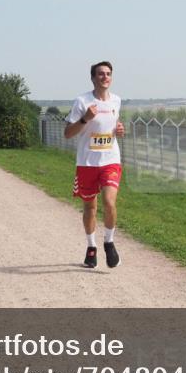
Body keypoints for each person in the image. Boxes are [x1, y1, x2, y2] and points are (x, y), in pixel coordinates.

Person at [63, 61, 126, 269]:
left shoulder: (116, 101)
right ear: (93, 78)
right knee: (90, 207)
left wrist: (118, 130)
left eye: (108, 74)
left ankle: (109, 242)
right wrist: (85, 119)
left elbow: (112, 127)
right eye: (100, 74)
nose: (105, 77)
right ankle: (91, 247)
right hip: (87, 163)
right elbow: (67, 134)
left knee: (109, 201)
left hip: (110, 160)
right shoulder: (82, 101)